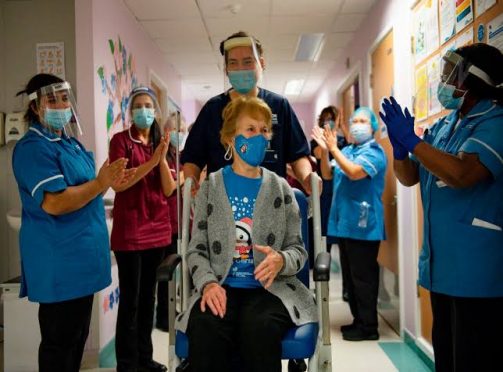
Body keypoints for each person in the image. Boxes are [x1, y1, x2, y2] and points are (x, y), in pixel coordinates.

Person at [380, 43, 503, 372]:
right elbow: (409, 178)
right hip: (442, 271)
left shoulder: (495, 122)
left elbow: (462, 173)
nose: (443, 80)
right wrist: (401, 150)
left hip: (479, 273)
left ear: (472, 79)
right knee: (447, 360)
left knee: (474, 360)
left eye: (451, 72)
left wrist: (415, 142)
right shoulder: (448, 125)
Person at [175, 96, 317, 372]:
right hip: (221, 284)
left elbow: (298, 250)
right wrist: (208, 284)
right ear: (230, 138)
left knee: (259, 326)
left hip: (271, 290)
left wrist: (281, 260)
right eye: (250, 129)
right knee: (205, 326)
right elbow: (197, 250)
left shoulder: (281, 188)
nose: (260, 137)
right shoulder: (210, 187)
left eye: (264, 130)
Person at [12, 73, 133, 372]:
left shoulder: (70, 144)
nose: (61, 104)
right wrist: (100, 182)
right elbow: (55, 202)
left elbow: (89, 192)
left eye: (64, 98)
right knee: (60, 345)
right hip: (60, 264)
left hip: (81, 261)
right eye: (51, 100)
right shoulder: (32, 148)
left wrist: (108, 181)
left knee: (76, 338)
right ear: (35, 107)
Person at [181, 31, 313, 193]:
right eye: (233, 63)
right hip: (222, 205)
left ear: (262, 63)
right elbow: (193, 158)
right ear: (226, 69)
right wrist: (191, 181)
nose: (240, 69)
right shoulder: (212, 109)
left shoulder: (279, 105)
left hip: (272, 204)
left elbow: (297, 154)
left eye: (247, 61)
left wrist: (307, 178)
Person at [109, 86, 176, 372]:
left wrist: (160, 159)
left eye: (149, 105)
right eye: (138, 105)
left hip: (157, 230)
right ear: (131, 111)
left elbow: (169, 188)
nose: (144, 110)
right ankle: (127, 363)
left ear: (155, 111)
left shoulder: (163, 143)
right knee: (131, 301)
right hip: (130, 232)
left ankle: (145, 359)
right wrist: (151, 160)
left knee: (149, 297)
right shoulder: (121, 141)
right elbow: (120, 182)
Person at [311, 106, 386, 341]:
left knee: (364, 278)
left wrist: (334, 148)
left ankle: (369, 327)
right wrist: (325, 152)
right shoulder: (350, 150)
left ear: (373, 126)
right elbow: (327, 174)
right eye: (354, 120)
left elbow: (354, 173)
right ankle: (358, 320)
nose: (357, 124)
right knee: (351, 279)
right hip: (345, 224)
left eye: (363, 120)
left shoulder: (375, 152)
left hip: (364, 226)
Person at [155, 113, 186, 331]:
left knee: (179, 271)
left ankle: (175, 311)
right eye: (176, 130)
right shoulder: (163, 157)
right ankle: (164, 318)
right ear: (166, 132)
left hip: (181, 223)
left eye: (183, 130)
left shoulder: (181, 157)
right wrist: (186, 177)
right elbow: (169, 186)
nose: (180, 134)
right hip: (165, 224)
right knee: (166, 273)